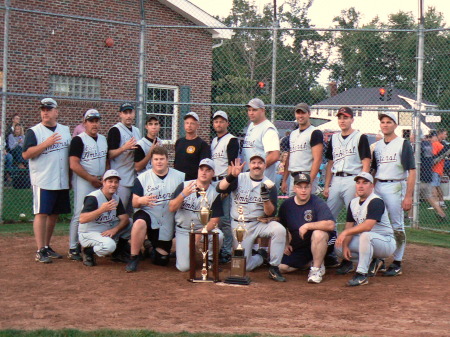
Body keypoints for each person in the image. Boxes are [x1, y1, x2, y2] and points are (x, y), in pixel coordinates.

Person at [217, 155, 287, 282]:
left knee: (279, 230)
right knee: (246, 266)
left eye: (260, 163)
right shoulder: (239, 178)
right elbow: (219, 188)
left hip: (259, 223)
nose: (256, 165)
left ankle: (274, 267)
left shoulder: (269, 184)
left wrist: (265, 199)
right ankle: (261, 256)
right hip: (239, 225)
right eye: (253, 162)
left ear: (265, 166)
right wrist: (231, 176)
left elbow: (270, 213)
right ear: (249, 165)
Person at [22, 98, 71, 263]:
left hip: (61, 179)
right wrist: (46, 144)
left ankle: (47, 246)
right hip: (42, 179)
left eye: (49, 109)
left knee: (54, 214)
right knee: (42, 213)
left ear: (56, 112)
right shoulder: (34, 131)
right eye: (43, 109)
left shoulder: (65, 130)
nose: (45, 112)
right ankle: (39, 249)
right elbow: (26, 154)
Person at [126, 146, 185, 272]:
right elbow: (134, 202)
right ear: (151, 161)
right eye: (156, 159)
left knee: (161, 260)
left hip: (167, 220)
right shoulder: (142, 178)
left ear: (167, 160)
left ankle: (150, 247)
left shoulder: (180, 177)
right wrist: (141, 200)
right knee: (139, 222)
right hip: (148, 213)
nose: (159, 162)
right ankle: (134, 257)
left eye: (162, 159)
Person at [371, 112, 416, 276]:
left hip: (396, 185)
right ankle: (379, 258)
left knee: (397, 225)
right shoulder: (379, 145)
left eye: (389, 122)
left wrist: (408, 196)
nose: (385, 124)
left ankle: (397, 262)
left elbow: (412, 171)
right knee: (376, 222)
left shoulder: (403, 143)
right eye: (383, 122)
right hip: (379, 185)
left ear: (395, 125)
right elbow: (375, 170)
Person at [335, 172, 396, 286]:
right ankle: (374, 261)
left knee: (365, 235)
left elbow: (368, 226)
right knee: (338, 246)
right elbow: (349, 225)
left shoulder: (376, 201)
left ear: (372, 186)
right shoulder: (353, 202)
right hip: (367, 241)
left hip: (385, 242)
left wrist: (346, 232)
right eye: (358, 183)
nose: (361, 185)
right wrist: (345, 245)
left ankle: (361, 274)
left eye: (365, 182)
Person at [278, 173, 336, 284]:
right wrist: (285, 243)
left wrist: (308, 225)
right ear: (294, 188)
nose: (303, 190)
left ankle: (316, 270)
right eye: (300, 187)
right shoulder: (286, 205)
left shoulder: (317, 202)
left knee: (318, 233)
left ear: (311, 188)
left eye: (306, 187)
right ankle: (312, 262)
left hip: (321, 242)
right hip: (300, 246)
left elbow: (330, 225)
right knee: (282, 267)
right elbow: (282, 227)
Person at [170, 158, 223, 272]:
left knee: (219, 235)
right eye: (202, 169)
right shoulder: (184, 185)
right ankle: (187, 254)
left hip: (202, 228)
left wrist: (200, 232)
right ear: (198, 171)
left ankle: (209, 260)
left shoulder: (214, 193)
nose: (204, 172)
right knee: (184, 268)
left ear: (213, 173)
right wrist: (183, 195)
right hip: (184, 230)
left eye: (208, 170)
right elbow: (171, 208)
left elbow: (215, 220)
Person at [68, 109, 107, 261]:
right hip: (83, 180)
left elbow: (107, 160)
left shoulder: (103, 139)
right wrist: (90, 178)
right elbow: (73, 164)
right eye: (91, 121)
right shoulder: (79, 140)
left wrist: (105, 177)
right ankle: (73, 247)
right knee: (80, 213)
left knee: (97, 213)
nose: (94, 124)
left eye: (97, 121)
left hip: (99, 181)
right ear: (84, 123)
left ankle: (90, 244)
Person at [323, 107, 371, 221]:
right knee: (327, 216)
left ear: (352, 120)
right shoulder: (334, 138)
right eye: (340, 118)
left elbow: (366, 163)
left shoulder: (360, 137)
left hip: (352, 179)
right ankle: (331, 238)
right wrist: (326, 185)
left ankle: (357, 239)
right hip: (336, 179)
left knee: (355, 215)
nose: (342, 120)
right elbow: (330, 163)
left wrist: (361, 184)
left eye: (346, 117)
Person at [78, 170, 132, 267]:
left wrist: (115, 229)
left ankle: (117, 253)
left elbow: (125, 218)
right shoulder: (93, 197)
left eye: (116, 182)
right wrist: (101, 210)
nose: (113, 184)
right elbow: (82, 219)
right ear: (103, 182)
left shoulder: (115, 198)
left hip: (105, 230)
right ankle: (88, 251)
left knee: (131, 223)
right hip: (89, 233)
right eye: (110, 181)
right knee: (109, 246)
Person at [210, 110, 240, 264]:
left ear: (227, 123)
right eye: (216, 121)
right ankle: (218, 247)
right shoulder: (214, 140)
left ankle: (227, 251)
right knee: (215, 218)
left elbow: (232, 165)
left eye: (222, 121)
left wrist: (226, 189)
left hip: (224, 181)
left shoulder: (232, 140)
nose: (219, 124)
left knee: (225, 220)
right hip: (213, 182)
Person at [281, 103, 323, 196]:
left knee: (307, 208)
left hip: (307, 174)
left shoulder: (315, 132)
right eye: (298, 113)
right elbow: (289, 158)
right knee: (293, 207)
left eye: (303, 113)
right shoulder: (292, 134)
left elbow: (318, 159)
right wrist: (284, 180)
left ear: (309, 114)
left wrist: (310, 181)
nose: (300, 116)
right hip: (293, 177)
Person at [107, 102, 141, 214]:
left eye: (130, 112)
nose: (128, 115)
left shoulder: (136, 131)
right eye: (125, 113)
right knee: (119, 212)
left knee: (132, 212)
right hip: (120, 177)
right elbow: (110, 154)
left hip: (134, 176)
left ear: (134, 113)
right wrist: (124, 148)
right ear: (120, 114)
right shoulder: (115, 130)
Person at [242, 98, 280, 184]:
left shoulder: (268, 129)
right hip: (250, 179)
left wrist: (256, 169)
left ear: (262, 110)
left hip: (262, 181)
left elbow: (274, 155)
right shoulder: (251, 125)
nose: (251, 113)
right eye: (249, 110)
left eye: (254, 110)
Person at [174, 112, 211, 181]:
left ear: (197, 125)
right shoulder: (179, 142)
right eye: (187, 123)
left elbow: (204, 166)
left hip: (193, 181)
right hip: (177, 180)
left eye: (192, 123)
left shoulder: (202, 144)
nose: (189, 125)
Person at [420, 134, 446, 219]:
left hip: (432, 170)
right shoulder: (430, 145)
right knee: (431, 191)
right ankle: (441, 211)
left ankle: (410, 217)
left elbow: (434, 156)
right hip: (430, 171)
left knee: (433, 188)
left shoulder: (428, 145)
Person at [431, 129, 448, 209]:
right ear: (440, 134)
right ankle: (441, 202)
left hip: (435, 169)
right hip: (439, 169)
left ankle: (436, 203)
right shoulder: (442, 145)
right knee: (437, 186)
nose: (446, 136)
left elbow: (433, 157)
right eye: (445, 134)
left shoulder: (436, 144)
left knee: (434, 186)